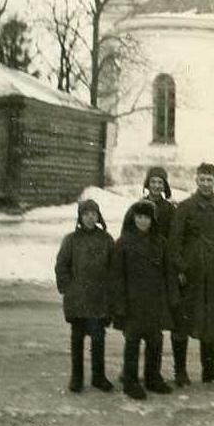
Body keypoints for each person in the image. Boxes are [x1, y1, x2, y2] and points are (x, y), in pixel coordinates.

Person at [121, 166, 189, 386]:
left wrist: (176, 268)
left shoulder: (171, 210)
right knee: (134, 329)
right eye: (153, 182)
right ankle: (129, 373)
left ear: (165, 186)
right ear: (147, 184)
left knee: (160, 325)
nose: (156, 186)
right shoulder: (136, 208)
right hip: (138, 272)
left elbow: (176, 239)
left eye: (160, 183)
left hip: (161, 267)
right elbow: (126, 238)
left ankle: (161, 373)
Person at [168, 162, 214, 384]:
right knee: (184, 322)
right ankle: (180, 371)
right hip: (191, 275)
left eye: (210, 180)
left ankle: (209, 369)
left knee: (209, 322)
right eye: (202, 179)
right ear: (196, 180)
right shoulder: (185, 207)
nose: (206, 184)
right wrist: (180, 269)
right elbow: (174, 241)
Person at [111, 199, 179, 400]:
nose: (143, 221)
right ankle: (130, 381)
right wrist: (119, 304)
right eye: (139, 217)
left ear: (152, 220)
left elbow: (169, 273)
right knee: (132, 341)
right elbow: (116, 277)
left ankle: (152, 377)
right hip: (132, 302)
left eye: (147, 217)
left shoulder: (160, 243)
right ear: (133, 218)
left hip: (155, 302)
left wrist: (172, 297)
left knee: (155, 340)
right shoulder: (122, 243)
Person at [55, 199, 115, 393]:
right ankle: (77, 377)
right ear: (80, 217)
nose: (90, 217)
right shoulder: (71, 240)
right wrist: (67, 288)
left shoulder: (106, 239)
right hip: (78, 298)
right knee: (77, 338)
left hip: (99, 298)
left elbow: (114, 268)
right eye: (86, 214)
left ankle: (99, 376)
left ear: (98, 216)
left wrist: (110, 293)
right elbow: (61, 266)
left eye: (93, 214)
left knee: (98, 338)